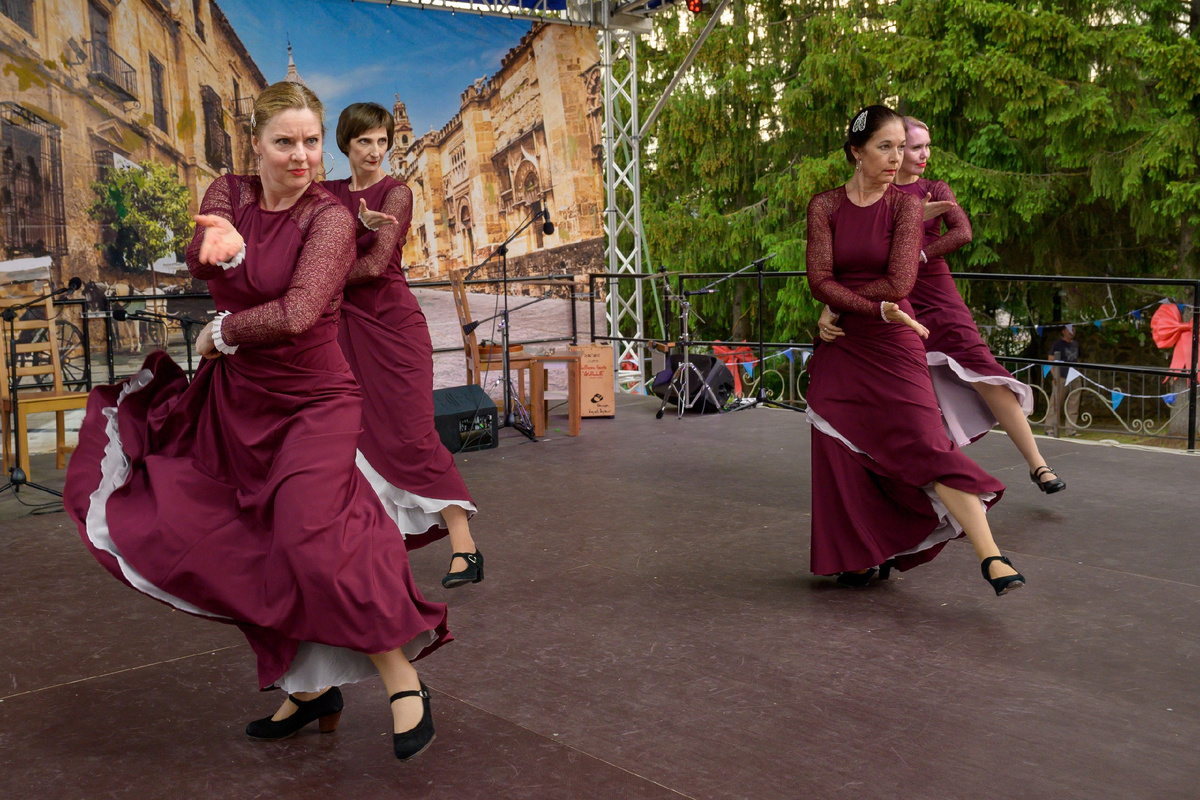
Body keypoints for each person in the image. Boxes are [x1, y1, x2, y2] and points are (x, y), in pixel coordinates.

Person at [63, 81, 446, 761]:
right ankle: (308, 688)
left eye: (309, 141)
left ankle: (400, 676)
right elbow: (200, 253)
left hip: (314, 402)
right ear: (257, 142)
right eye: (284, 142)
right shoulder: (226, 194)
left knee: (310, 537)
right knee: (235, 544)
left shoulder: (328, 219)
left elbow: (298, 313)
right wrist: (223, 248)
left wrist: (224, 331)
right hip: (235, 406)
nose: (301, 157)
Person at [805, 105, 1024, 596]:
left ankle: (991, 556)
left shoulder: (905, 206)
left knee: (927, 444)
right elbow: (818, 278)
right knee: (841, 449)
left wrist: (850, 308)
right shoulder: (824, 206)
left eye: (901, 148)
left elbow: (901, 281)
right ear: (855, 152)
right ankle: (859, 555)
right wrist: (851, 310)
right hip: (844, 348)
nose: (896, 157)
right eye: (885, 147)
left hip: (895, 337)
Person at [818, 116, 1065, 495]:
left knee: (982, 369)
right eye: (911, 146)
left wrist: (917, 252)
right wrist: (833, 307)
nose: (920, 155)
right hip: (892, 298)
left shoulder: (933, 188)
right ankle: (922, 480)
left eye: (921, 147)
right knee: (910, 398)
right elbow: (849, 264)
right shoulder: (868, 198)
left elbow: (963, 232)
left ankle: (1038, 465)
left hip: (935, 293)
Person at [323, 102, 482, 588]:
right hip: (345, 334)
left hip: (394, 326)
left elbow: (373, 267)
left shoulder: (397, 192)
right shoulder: (325, 195)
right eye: (363, 142)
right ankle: (375, 555)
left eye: (381, 141)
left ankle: (466, 549)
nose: (374, 151)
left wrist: (315, 281)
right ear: (345, 146)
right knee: (355, 442)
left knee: (414, 436)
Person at [1047, 323, 1081, 437]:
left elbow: (1077, 359)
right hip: (1061, 376)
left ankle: (1070, 429)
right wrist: (1054, 375)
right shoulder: (1058, 344)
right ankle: (1049, 428)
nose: (1072, 331)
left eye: (1074, 329)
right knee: (1056, 402)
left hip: (1074, 376)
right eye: (1070, 329)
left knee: (1074, 403)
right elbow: (1050, 360)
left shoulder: (1075, 344)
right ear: (1063, 331)